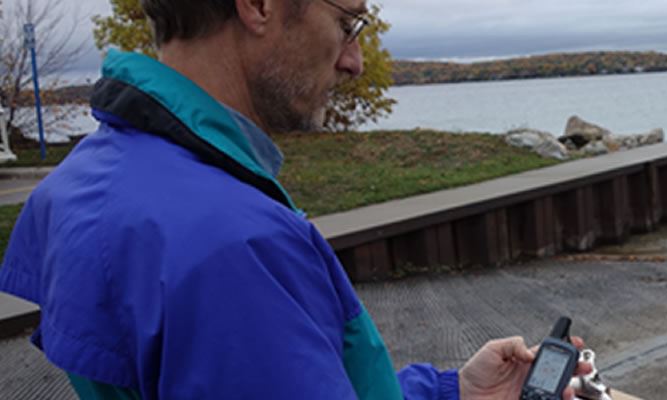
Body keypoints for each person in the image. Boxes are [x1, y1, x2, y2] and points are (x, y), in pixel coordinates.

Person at [0, 0, 590, 398]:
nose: (355, 61)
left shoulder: (87, 179)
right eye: (347, 23)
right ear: (258, 4)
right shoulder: (228, 243)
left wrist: (451, 391)